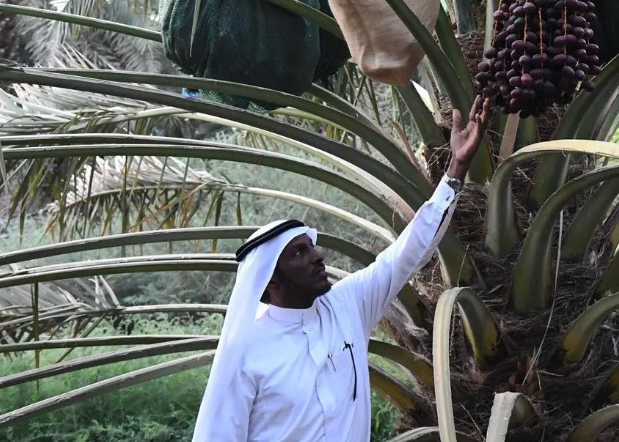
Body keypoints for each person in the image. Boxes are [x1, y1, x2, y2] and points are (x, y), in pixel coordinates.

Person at [192, 98, 490, 441]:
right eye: (299, 253)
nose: (318, 255)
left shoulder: (347, 305)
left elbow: (407, 253)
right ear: (270, 279)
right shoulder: (244, 353)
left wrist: (456, 170)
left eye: (312, 246)